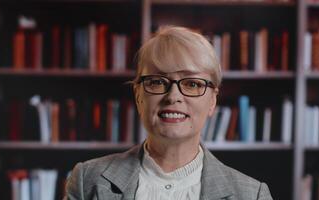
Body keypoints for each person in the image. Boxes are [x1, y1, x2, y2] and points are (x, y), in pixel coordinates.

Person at [64, 26, 273, 200]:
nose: (173, 96)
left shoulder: (252, 195)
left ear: (212, 101)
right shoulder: (87, 180)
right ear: (138, 96)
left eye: (192, 83)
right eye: (157, 82)